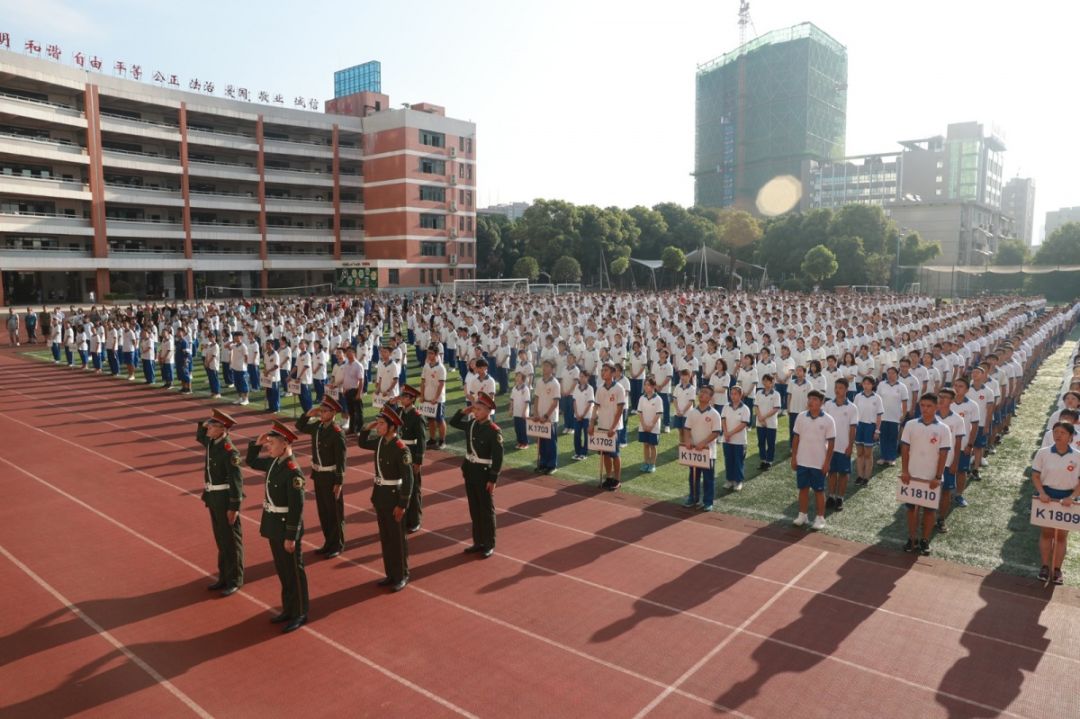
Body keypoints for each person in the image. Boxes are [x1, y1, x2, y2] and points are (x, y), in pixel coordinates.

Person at [246, 421, 309, 633]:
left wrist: (291, 536)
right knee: (283, 571)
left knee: (293, 571)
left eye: (271, 443)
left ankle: (300, 611)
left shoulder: (293, 472)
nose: (268, 446)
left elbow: (296, 508)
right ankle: (288, 609)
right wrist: (257, 442)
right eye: (268, 443)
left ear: (285, 445)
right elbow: (251, 461)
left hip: (286, 529)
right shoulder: (274, 463)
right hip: (273, 526)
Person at [357, 404, 415, 591]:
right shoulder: (381, 442)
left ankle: (402, 575)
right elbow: (362, 442)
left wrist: (403, 504)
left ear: (392, 427)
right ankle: (390, 574)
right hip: (380, 496)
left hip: (394, 498)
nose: (379, 426)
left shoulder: (401, 449)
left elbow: (408, 479)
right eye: (378, 423)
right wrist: (368, 427)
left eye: (382, 424)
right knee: (386, 538)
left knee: (397, 539)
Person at [195, 408, 244, 596]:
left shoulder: (230, 451)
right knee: (221, 540)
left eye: (213, 425)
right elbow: (200, 435)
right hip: (213, 498)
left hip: (225, 499)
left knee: (231, 541)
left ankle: (235, 579)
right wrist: (204, 424)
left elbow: (236, 481)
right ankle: (224, 576)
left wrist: (234, 506)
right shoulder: (212, 442)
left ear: (222, 429)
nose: (209, 427)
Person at [449, 392, 503, 557]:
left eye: (479, 409)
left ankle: (488, 543)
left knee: (486, 510)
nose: (475, 412)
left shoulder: (494, 431)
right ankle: (477, 541)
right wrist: (464, 411)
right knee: (474, 509)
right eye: (475, 409)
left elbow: (498, 458)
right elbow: (454, 422)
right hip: (470, 471)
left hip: (484, 474)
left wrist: (493, 479)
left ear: (488, 411)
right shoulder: (472, 424)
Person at [295, 395, 348, 558]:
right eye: (321, 410)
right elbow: (300, 426)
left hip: (331, 476)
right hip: (318, 475)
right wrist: (309, 413)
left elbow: (341, 460)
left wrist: (339, 482)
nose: (321, 413)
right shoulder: (317, 427)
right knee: (323, 512)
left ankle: (337, 544)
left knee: (334, 513)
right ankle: (328, 542)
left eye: (325, 411)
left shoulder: (336, 432)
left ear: (333, 413)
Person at [900, 393, 952, 556]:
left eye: (929, 406)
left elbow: (943, 454)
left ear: (936, 407)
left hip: (931, 478)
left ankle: (925, 540)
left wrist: (938, 476)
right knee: (911, 509)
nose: (925, 409)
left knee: (929, 511)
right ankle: (911, 538)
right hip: (913, 475)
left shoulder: (943, 429)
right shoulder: (910, 424)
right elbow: (905, 449)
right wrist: (905, 471)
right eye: (922, 405)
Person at [1031, 422, 1080, 585]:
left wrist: (1072, 497)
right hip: (1047, 497)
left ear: (1071, 436)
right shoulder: (1043, 453)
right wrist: (1042, 493)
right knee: (1047, 533)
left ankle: (1057, 569)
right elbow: (1035, 475)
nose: (1058, 435)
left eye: (1063, 432)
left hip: (1067, 498)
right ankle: (1045, 566)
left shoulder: (1078, 456)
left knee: (1061, 536)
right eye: (1056, 432)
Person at [791, 389, 836, 529]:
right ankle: (802, 515)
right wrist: (794, 457)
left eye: (815, 399)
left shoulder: (828, 420)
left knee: (819, 490)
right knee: (803, 489)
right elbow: (796, 438)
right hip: (802, 460)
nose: (811, 402)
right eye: (809, 398)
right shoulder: (801, 417)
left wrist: (827, 463)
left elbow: (832, 443)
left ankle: (820, 518)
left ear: (822, 402)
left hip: (819, 462)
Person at [395, 384, 428, 533]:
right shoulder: (400, 412)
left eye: (405, 397)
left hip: (412, 453)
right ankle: (405, 517)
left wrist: (418, 461)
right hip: (400, 453)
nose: (402, 399)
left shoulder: (417, 416)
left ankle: (415, 520)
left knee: (414, 489)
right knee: (402, 487)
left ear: (412, 399)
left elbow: (421, 440)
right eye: (402, 396)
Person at [682, 385, 722, 511]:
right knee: (693, 476)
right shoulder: (692, 412)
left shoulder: (714, 414)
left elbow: (716, 432)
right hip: (693, 451)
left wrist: (703, 443)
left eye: (705, 393)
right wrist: (687, 440)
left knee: (708, 478)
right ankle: (693, 498)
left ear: (710, 397)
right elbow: (687, 429)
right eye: (701, 392)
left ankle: (708, 501)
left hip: (708, 452)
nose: (702, 394)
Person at [934, 388, 967, 535]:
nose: (941, 399)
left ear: (952, 401)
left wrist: (955, 462)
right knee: (929, 488)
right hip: (930, 460)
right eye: (940, 396)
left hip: (948, 461)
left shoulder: (957, 419)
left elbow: (958, 443)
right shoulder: (931, 414)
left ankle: (941, 519)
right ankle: (927, 515)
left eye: (946, 397)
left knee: (946, 491)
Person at [823, 379, 859, 511]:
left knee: (843, 474)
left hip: (844, 446)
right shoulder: (827, 405)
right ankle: (831, 496)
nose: (837, 390)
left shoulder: (852, 407)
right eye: (836, 387)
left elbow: (853, 428)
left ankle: (840, 498)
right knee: (831, 472)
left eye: (841, 388)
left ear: (846, 389)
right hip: (830, 446)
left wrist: (850, 445)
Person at [591, 363, 626, 491]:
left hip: (614, 428)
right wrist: (591, 423)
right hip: (602, 426)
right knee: (605, 454)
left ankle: (617, 479)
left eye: (605, 370)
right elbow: (596, 407)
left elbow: (620, 409)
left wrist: (613, 427)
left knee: (615, 454)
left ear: (612, 373)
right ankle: (609, 478)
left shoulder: (619, 388)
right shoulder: (600, 388)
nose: (603, 372)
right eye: (602, 370)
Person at [853, 376, 884, 486]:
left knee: (868, 454)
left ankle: (866, 477)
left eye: (869, 383)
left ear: (873, 385)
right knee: (860, 453)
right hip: (859, 426)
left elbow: (879, 416)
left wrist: (877, 430)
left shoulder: (877, 398)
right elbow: (854, 414)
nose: (866, 385)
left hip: (870, 427)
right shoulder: (857, 396)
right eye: (864, 383)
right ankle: (860, 476)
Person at [533, 359, 561, 474]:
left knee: (550, 442)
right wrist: (535, 413)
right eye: (543, 365)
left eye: (547, 366)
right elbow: (536, 398)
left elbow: (555, 402)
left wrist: (546, 415)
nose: (544, 368)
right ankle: (543, 463)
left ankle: (551, 465)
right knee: (541, 442)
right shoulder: (539, 381)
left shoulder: (555, 383)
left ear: (552, 369)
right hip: (540, 417)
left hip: (550, 419)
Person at [720, 386, 751, 492]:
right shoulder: (725, 407)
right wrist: (725, 433)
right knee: (728, 460)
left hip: (739, 441)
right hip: (727, 439)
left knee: (738, 461)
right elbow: (723, 420)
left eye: (735, 394)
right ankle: (729, 480)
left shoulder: (745, 409)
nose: (732, 396)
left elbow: (743, 424)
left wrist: (730, 433)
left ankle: (738, 481)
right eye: (731, 393)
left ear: (740, 395)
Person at [421, 344, 447, 448]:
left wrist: (436, 398)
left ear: (436, 354)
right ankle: (432, 439)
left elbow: (441, 384)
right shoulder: (426, 366)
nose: (429, 355)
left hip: (438, 399)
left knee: (439, 420)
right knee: (430, 420)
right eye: (428, 353)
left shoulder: (441, 368)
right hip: (427, 397)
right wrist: (422, 395)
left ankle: (442, 441)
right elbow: (422, 381)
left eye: (431, 353)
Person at [754, 374, 781, 470]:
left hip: (771, 423)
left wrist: (763, 417)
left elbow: (776, 409)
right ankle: (763, 460)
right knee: (761, 442)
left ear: (772, 382)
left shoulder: (776, 394)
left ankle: (769, 461)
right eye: (764, 380)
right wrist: (760, 418)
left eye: (767, 381)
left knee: (770, 443)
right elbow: (756, 406)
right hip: (760, 423)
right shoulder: (758, 393)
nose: (765, 383)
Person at [636, 377, 663, 473]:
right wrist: (643, 425)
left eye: (648, 385)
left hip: (654, 428)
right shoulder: (642, 398)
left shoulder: (658, 399)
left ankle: (652, 464)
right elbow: (640, 412)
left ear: (653, 386)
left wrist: (651, 425)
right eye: (645, 385)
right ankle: (646, 463)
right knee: (646, 445)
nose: (646, 387)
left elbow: (658, 413)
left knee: (653, 446)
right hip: (643, 426)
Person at [571, 369, 595, 461]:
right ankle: (577, 452)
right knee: (576, 434)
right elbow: (574, 401)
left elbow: (590, 404)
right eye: (580, 376)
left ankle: (584, 453)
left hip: (586, 417)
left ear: (587, 377)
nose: (580, 378)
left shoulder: (590, 389)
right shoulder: (576, 387)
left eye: (582, 376)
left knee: (586, 435)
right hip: (577, 416)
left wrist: (582, 415)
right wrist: (577, 414)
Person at [510, 371, 532, 449]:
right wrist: (511, 409)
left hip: (523, 413)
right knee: (517, 428)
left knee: (523, 428)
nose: (517, 377)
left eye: (519, 376)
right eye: (517, 376)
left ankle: (525, 443)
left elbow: (527, 401)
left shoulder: (526, 389)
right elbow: (512, 400)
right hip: (516, 412)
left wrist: (524, 412)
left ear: (523, 378)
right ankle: (519, 442)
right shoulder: (514, 388)